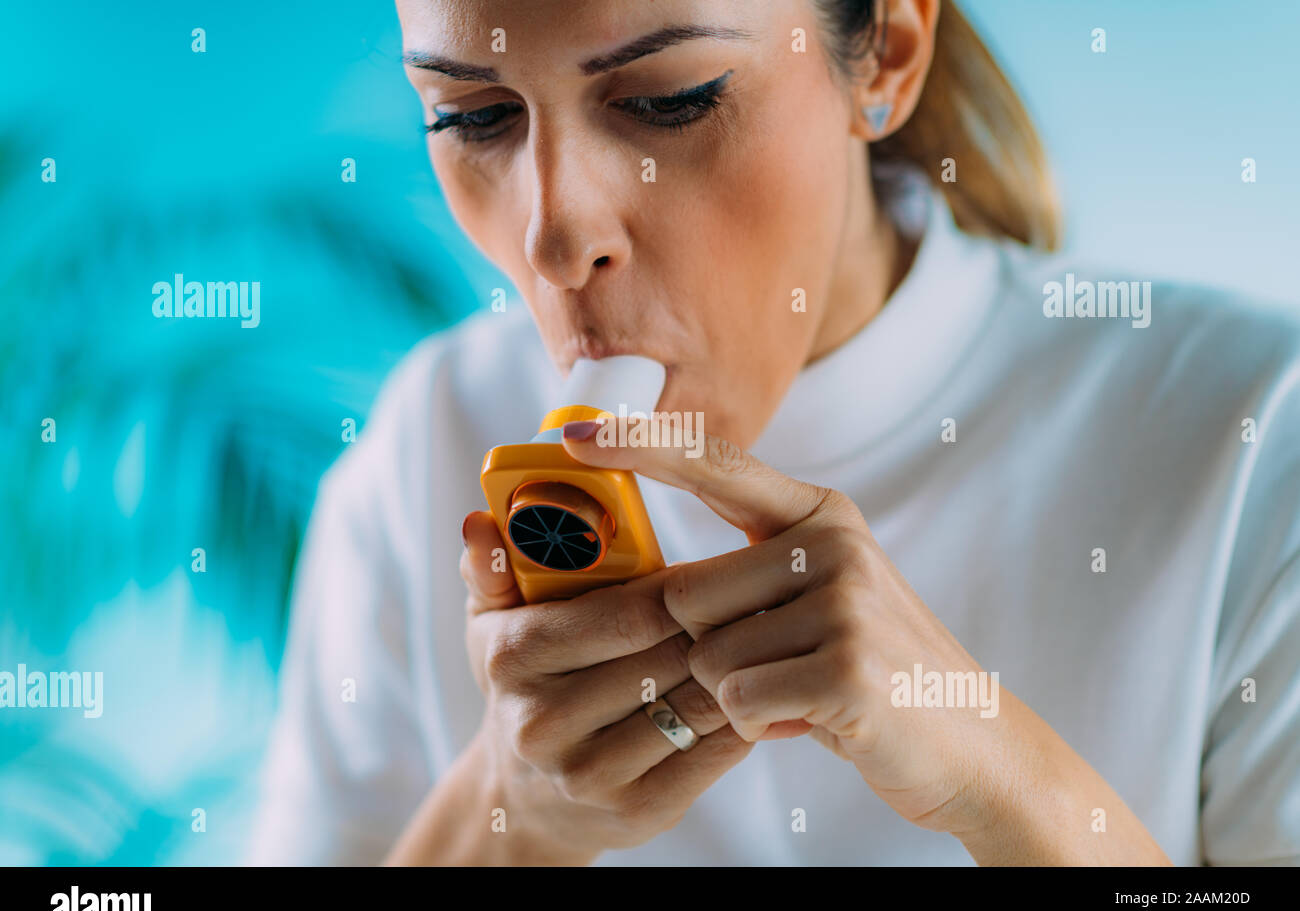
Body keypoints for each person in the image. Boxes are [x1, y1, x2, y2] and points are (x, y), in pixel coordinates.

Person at [246, 0, 1300, 865]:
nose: (556, 237)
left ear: (888, 51)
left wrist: (1000, 781)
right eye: (473, 118)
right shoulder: (427, 444)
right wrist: (513, 816)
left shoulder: (1254, 430)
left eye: (667, 101)